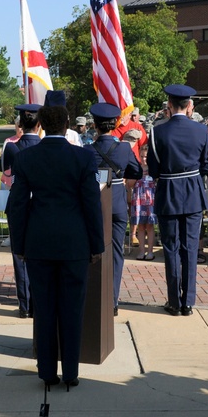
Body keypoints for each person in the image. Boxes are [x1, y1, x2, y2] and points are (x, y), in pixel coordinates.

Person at [7, 90, 104, 389]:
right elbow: (91, 205)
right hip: (75, 244)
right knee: (72, 310)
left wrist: (19, 246)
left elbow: (17, 207)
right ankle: (71, 372)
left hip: (38, 243)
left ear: (41, 125)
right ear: (65, 125)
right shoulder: (83, 156)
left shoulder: (26, 158)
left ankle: (47, 371)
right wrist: (97, 245)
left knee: (45, 310)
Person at [148, 84, 208, 316]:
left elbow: (153, 169)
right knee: (190, 247)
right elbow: (205, 165)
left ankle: (174, 301)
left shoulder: (157, 131)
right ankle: (189, 302)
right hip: (193, 192)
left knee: (171, 247)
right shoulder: (201, 131)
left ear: (170, 106)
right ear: (190, 106)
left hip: (168, 191)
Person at [85, 102, 143, 315]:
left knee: (93, 250)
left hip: (95, 203)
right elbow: (137, 172)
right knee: (116, 252)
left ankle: (94, 296)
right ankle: (112, 301)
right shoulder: (124, 148)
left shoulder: (87, 150)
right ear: (115, 124)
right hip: (117, 201)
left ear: (95, 125)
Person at [1, 103, 42, 317]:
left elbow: (3, 167)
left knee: (19, 254)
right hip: (40, 206)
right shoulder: (44, 146)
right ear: (39, 125)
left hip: (18, 204)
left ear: (20, 124)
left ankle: (24, 306)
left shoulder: (11, 147)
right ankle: (36, 303)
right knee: (39, 255)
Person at [129, 142, 157, 260]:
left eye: (146, 156)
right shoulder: (137, 168)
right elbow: (129, 184)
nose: (144, 159)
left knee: (150, 226)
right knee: (140, 226)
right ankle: (141, 251)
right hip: (139, 200)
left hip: (150, 200)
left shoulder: (154, 169)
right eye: (142, 156)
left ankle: (150, 251)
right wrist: (138, 174)